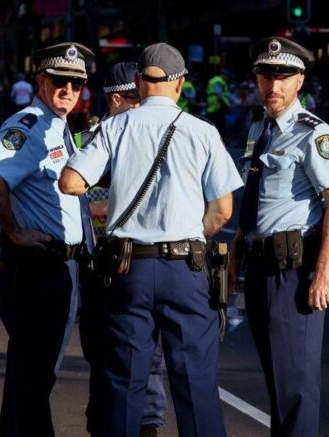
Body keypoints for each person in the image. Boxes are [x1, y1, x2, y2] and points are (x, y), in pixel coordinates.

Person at [60, 42, 243, 437]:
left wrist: (118, 188)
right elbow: (223, 210)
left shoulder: (114, 127)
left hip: (129, 269)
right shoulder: (202, 132)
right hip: (186, 266)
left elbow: (71, 181)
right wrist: (190, 231)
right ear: (179, 85)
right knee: (195, 384)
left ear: (140, 82)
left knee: (125, 381)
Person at [227, 36, 329, 437]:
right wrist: (236, 250)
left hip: (294, 272)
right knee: (277, 383)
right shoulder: (260, 128)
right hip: (262, 267)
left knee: (296, 389)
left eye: (283, 77)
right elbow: (258, 197)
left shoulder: (314, 133)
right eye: (266, 75)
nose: (273, 86)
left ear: (300, 81)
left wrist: (324, 270)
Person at [0, 41, 95, 437]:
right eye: (60, 81)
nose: (68, 90)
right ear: (41, 81)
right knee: (35, 372)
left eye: (76, 84)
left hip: (62, 265)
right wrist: (13, 230)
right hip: (43, 266)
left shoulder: (58, 127)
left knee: (32, 371)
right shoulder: (28, 126)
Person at [74, 61, 168, 437]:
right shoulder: (85, 140)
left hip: (141, 261)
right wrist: (93, 208)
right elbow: (59, 192)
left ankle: (147, 426)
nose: (144, 105)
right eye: (136, 98)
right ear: (116, 99)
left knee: (148, 357)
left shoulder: (156, 139)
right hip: (98, 261)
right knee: (100, 354)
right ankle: (102, 422)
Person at [206, 71, 230, 136]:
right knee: (220, 125)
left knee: (212, 124)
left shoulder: (214, 80)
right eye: (228, 76)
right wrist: (225, 105)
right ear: (224, 75)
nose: (228, 78)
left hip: (213, 107)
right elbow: (219, 94)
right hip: (218, 106)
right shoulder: (219, 82)